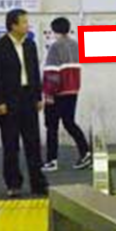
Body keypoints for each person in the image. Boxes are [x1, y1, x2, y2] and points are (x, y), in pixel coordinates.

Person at [0, 9, 48, 197]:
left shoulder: (30, 45)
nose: (27, 25)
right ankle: (13, 183)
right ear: (13, 25)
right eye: (24, 22)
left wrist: (38, 97)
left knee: (33, 143)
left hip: (28, 98)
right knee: (11, 144)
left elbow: (35, 72)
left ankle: (38, 183)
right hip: (8, 100)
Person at [41, 17, 92, 171]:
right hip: (72, 90)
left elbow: (52, 72)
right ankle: (85, 153)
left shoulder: (55, 47)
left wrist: (49, 93)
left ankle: (52, 160)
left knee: (52, 126)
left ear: (54, 30)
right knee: (69, 123)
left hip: (57, 92)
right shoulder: (76, 45)